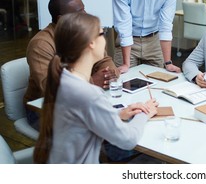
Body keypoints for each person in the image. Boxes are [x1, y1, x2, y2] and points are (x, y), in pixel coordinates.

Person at [33, 12, 158, 163]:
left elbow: (80, 117)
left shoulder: (63, 78)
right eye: (101, 33)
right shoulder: (89, 94)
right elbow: (128, 140)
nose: (104, 39)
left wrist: (117, 114)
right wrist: (144, 114)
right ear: (91, 43)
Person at [24, 0, 119, 130]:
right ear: (62, 18)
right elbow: (50, 88)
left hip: (80, 100)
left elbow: (105, 60)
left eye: (84, 8)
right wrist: (93, 82)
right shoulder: (41, 44)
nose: (85, 14)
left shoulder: (83, 33)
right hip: (43, 110)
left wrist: (109, 73)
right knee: (105, 127)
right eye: (80, 11)